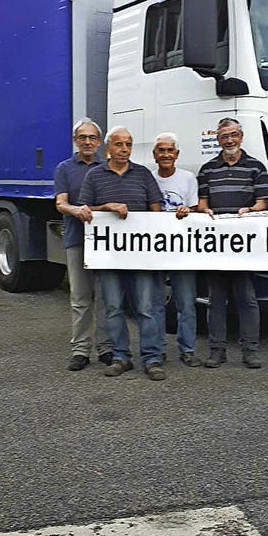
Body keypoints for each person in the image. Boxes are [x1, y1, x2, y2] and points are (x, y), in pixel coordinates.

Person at [78, 125, 165, 381]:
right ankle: (120, 356)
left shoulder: (143, 174)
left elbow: (156, 209)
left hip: (140, 254)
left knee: (146, 307)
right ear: (108, 148)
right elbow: (85, 209)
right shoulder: (94, 176)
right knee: (113, 307)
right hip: (108, 255)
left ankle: (151, 358)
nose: (124, 149)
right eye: (119, 144)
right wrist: (105, 206)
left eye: (128, 144)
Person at [197, 117, 268, 369]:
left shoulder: (256, 167)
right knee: (216, 299)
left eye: (233, 135)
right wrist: (204, 211)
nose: (229, 140)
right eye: (223, 136)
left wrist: (250, 209)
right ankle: (217, 350)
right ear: (217, 140)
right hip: (216, 244)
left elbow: (263, 202)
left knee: (247, 298)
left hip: (244, 244)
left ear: (241, 136)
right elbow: (202, 202)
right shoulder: (207, 169)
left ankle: (250, 350)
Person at [54, 118, 114, 371]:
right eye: (82, 138)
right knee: (80, 298)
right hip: (77, 239)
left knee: (105, 297)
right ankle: (80, 350)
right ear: (75, 141)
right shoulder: (64, 168)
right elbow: (60, 203)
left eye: (92, 138)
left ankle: (106, 348)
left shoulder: (109, 167)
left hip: (106, 243)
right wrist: (76, 210)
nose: (87, 142)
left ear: (99, 142)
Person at [151, 132, 201, 367]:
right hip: (154, 251)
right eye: (161, 150)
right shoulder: (148, 178)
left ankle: (188, 349)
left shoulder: (188, 178)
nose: (166, 154)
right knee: (156, 303)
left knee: (186, 303)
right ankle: (158, 349)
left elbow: (195, 210)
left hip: (183, 251)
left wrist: (188, 212)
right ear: (154, 154)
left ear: (177, 154)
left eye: (170, 150)